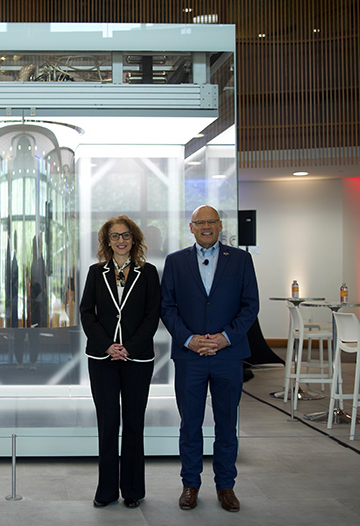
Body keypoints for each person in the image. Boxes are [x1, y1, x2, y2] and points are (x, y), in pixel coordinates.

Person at [160, 205, 259, 513]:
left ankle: (225, 486)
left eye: (211, 222)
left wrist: (224, 338)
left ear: (219, 226)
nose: (205, 226)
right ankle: (190, 485)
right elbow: (167, 307)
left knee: (227, 424)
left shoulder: (241, 260)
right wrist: (190, 340)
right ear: (191, 228)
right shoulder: (175, 262)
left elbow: (250, 306)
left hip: (228, 355)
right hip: (190, 357)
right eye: (199, 222)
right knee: (190, 424)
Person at [80, 215, 160, 509]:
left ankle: (133, 490)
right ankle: (106, 491)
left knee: (134, 424)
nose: (121, 241)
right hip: (102, 359)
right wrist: (108, 346)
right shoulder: (95, 272)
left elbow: (153, 315)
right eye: (115, 236)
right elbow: (87, 313)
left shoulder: (148, 273)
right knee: (108, 423)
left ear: (134, 239)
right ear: (107, 241)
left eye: (126, 235)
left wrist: (128, 347)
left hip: (137, 358)